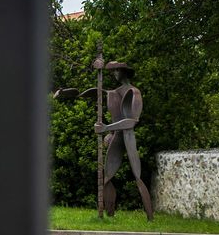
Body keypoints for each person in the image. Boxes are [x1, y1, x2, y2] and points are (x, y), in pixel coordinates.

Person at [53, 61, 154, 220]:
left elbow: (132, 121)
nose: (114, 74)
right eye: (112, 71)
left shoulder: (134, 92)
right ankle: (109, 215)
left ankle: (150, 216)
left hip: (127, 137)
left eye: (116, 71)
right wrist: (66, 93)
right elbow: (94, 92)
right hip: (116, 138)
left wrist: (106, 128)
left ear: (123, 72)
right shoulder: (114, 92)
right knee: (107, 178)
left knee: (137, 176)